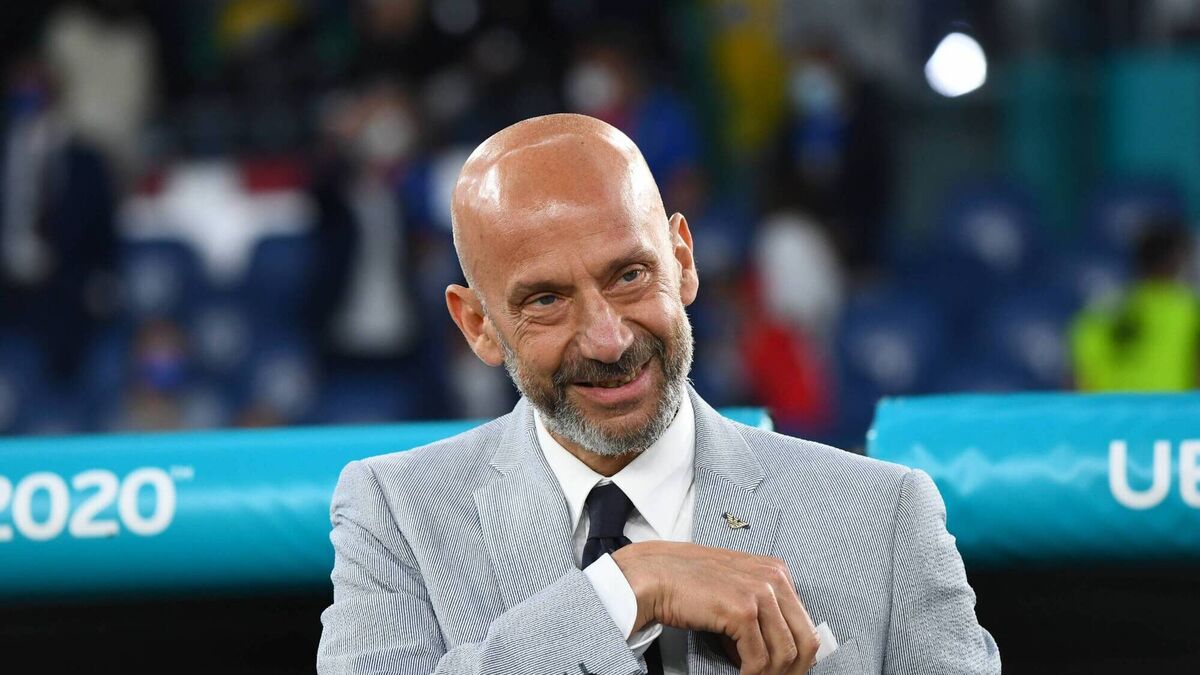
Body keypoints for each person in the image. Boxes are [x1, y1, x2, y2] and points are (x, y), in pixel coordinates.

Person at [317, 114, 999, 674]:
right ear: (478, 325)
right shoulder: (397, 513)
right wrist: (628, 586)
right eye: (547, 300)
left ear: (683, 260)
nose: (608, 339)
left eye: (630, 275)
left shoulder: (884, 517)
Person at [1071, 219, 1200, 391]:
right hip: (1170, 407)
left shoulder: (1097, 317)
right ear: (1177, 262)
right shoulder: (1190, 312)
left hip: (1110, 408)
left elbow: (1079, 383)